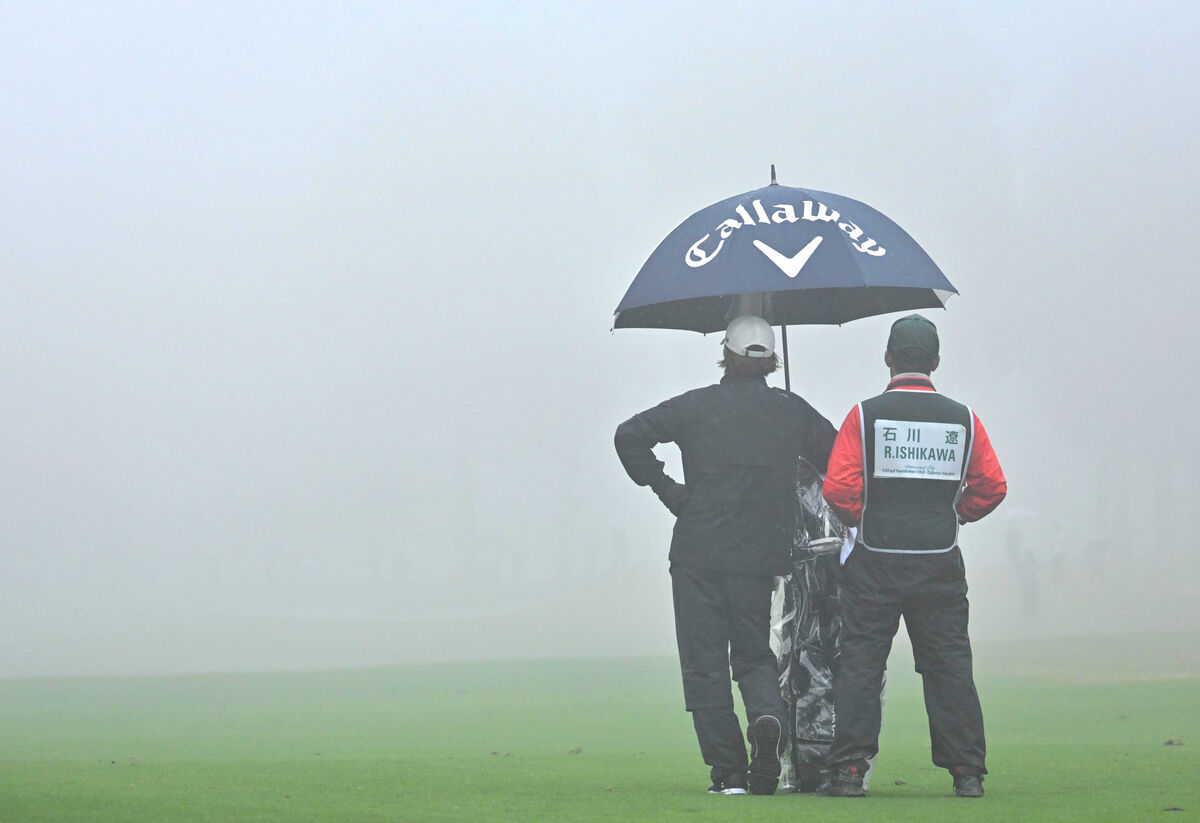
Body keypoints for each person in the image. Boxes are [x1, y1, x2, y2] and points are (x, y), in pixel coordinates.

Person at [614, 315, 836, 796]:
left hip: (697, 554)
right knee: (754, 657)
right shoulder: (791, 411)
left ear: (726, 353)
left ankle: (729, 772)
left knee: (704, 665)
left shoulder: (695, 406)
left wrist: (668, 490)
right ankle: (766, 718)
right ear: (772, 359)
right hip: (758, 559)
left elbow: (628, 435)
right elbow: (838, 456)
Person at [819, 314, 1006, 798]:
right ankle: (967, 773)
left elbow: (838, 488)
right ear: (936, 362)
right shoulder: (964, 418)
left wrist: (862, 519)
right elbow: (991, 487)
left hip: (874, 562)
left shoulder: (864, 415)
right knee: (948, 667)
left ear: (888, 358)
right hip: (939, 561)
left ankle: (849, 772)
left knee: (861, 665)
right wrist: (956, 515)